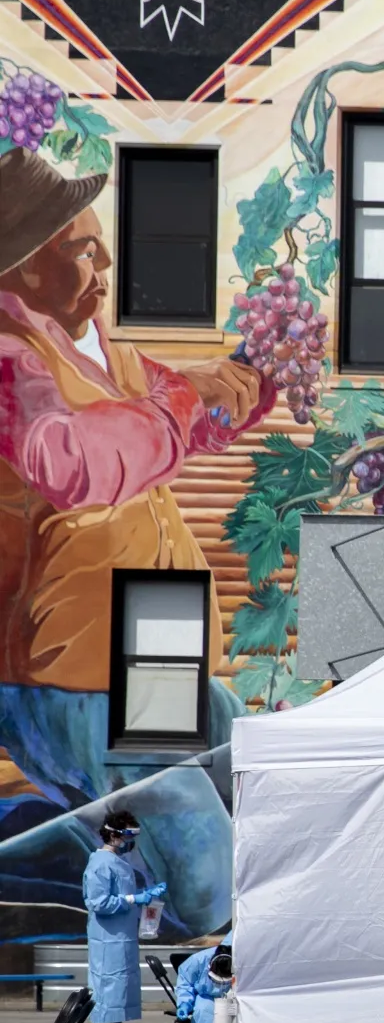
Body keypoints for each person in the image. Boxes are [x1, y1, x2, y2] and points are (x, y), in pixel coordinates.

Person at [0, 148, 271, 836]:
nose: (107, 264)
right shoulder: (10, 358)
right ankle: (40, 853)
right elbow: (68, 460)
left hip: (156, 640)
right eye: (84, 250)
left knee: (260, 790)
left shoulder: (102, 350)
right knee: (200, 862)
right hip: (74, 669)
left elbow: (175, 424)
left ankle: (57, 838)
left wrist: (240, 389)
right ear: (28, 265)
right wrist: (184, 398)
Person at [81, 809, 165, 1023]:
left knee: (117, 995)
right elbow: (99, 902)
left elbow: (121, 896)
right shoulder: (100, 863)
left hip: (121, 939)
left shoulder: (117, 862)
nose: (131, 841)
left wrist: (145, 895)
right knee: (106, 996)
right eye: (128, 835)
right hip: (107, 941)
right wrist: (133, 898)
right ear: (114, 834)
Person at [174, 936, 232, 1023]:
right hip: (206, 996)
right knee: (204, 1014)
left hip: (234, 997)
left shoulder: (244, 960)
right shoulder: (197, 961)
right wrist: (184, 1004)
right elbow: (185, 983)